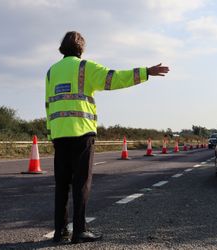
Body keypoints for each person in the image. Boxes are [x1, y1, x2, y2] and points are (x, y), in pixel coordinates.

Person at [45, 31, 169, 244]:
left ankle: (60, 232)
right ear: (81, 48)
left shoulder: (51, 72)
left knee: (62, 185)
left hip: (59, 135)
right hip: (82, 133)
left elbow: (48, 104)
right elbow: (115, 78)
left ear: (62, 48)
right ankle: (79, 231)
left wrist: (51, 133)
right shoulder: (84, 67)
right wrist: (146, 72)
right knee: (81, 183)